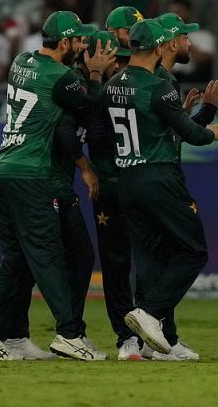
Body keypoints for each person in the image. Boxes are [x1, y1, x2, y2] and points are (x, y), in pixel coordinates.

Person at [0, 10, 115, 361]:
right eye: (77, 40)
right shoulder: (61, 77)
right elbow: (91, 108)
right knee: (47, 256)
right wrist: (96, 72)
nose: (82, 45)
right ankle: (69, 334)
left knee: (17, 260)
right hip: (31, 173)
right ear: (63, 42)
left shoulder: (22, 61)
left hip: (3, 168)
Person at [110, 19, 218, 361]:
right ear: (161, 46)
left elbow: (157, 128)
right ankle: (148, 313)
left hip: (127, 178)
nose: (186, 42)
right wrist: (212, 127)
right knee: (194, 251)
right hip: (159, 177)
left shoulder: (113, 84)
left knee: (149, 259)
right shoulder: (158, 86)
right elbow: (191, 136)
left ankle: (157, 340)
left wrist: (184, 115)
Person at [82, 30, 142, 361]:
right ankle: (126, 337)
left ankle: (155, 330)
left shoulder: (136, 86)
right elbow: (88, 132)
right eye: (113, 59)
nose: (119, 65)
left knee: (148, 260)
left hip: (139, 185)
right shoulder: (88, 88)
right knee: (117, 264)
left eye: (122, 59)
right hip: (109, 188)